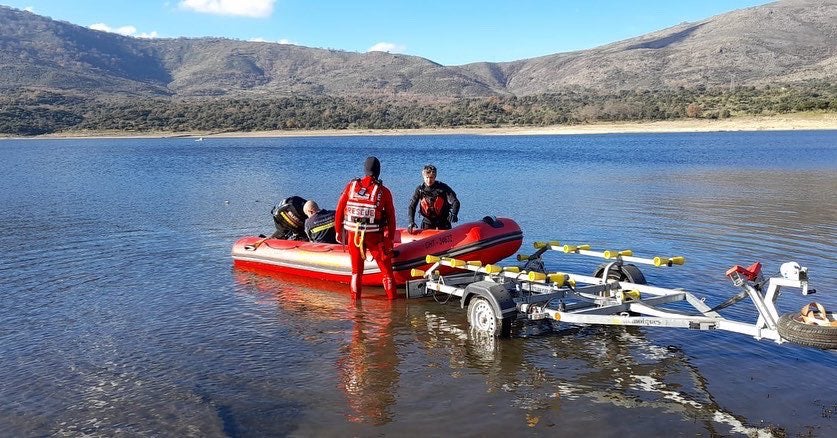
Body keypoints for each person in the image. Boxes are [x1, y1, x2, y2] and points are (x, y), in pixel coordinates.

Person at [334, 156, 397, 300]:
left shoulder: (351, 186)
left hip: (353, 234)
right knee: (387, 273)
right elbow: (391, 218)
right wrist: (390, 239)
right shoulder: (383, 191)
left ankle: (356, 312)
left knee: (356, 272)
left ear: (365, 169)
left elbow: (339, 209)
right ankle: (393, 308)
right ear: (378, 171)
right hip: (375, 236)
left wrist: (338, 230)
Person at [407, 164, 460, 233]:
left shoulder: (443, 187)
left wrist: (454, 214)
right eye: (427, 177)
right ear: (423, 177)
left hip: (443, 222)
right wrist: (411, 222)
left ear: (435, 177)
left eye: (431, 177)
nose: (429, 180)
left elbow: (455, 202)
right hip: (427, 222)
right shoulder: (420, 189)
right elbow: (412, 206)